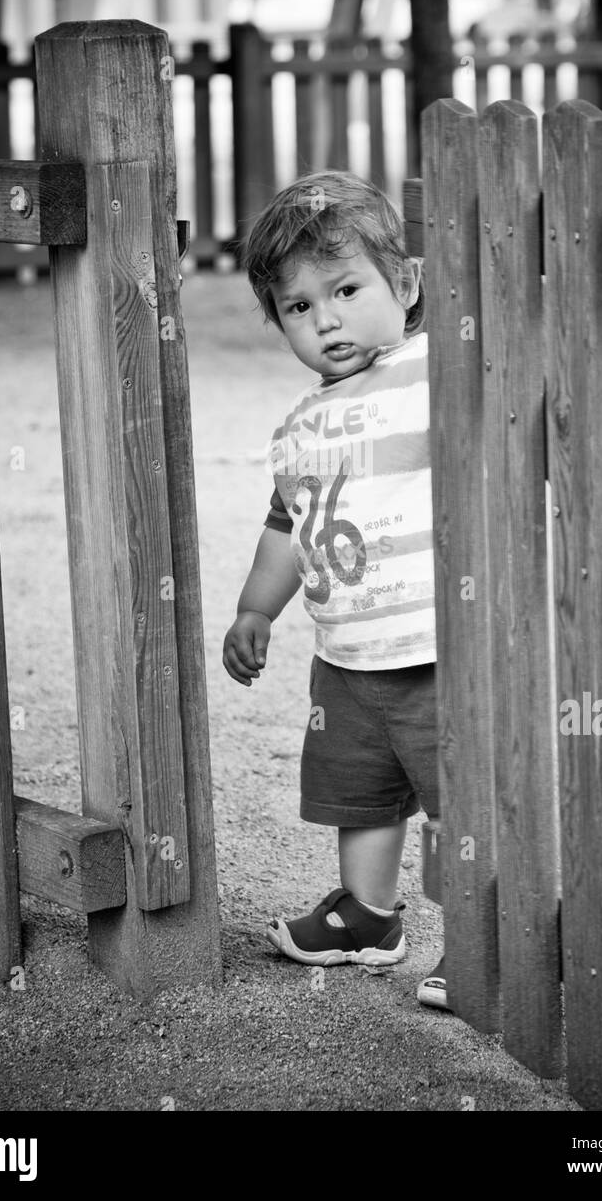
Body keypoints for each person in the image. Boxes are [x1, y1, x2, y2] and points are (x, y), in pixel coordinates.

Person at [222, 170, 448, 1010]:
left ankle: (491, 940)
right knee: (362, 791)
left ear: (408, 285)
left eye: (347, 289)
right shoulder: (301, 425)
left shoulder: (433, 371)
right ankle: (368, 916)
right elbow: (288, 524)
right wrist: (256, 607)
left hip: (436, 646)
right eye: (299, 307)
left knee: (460, 805)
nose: (327, 320)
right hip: (345, 654)